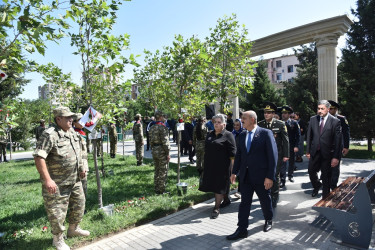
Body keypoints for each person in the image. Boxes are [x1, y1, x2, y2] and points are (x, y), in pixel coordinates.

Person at [33, 107, 89, 250]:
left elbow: (80, 151)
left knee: (80, 204)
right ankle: (57, 239)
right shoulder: (49, 135)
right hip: (57, 182)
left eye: (72, 117)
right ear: (58, 119)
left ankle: (73, 229)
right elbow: (39, 157)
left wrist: (82, 168)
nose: (72, 120)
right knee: (57, 213)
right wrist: (47, 180)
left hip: (75, 179)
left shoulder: (72, 133)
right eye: (68, 117)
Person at [227, 110, 277, 240]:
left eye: (244, 118)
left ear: (252, 120)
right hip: (246, 176)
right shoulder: (242, 135)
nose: (241, 120)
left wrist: (270, 176)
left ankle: (268, 219)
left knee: (265, 200)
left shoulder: (265, 133)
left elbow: (272, 157)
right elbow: (239, 156)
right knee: (244, 203)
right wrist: (234, 172)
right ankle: (242, 229)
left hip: (262, 176)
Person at [199, 114, 236, 219]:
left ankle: (216, 207)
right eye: (215, 122)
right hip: (210, 166)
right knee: (216, 185)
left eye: (219, 122)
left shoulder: (228, 135)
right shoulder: (210, 134)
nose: (216, 124)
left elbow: (233, 154)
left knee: (219, 187)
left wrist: (233, 171)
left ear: (224, 124)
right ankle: (227, 200)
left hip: (223, 167)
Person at [306, 100, 342, 198]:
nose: (320, 111)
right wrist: (308, 151)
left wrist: (336, 157)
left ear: (328, 109)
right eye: (318, 108)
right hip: (315, 152)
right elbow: (309, 136)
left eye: (322, 109)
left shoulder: (335, 121)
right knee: (311, 171)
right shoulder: (313, 119)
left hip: (328, 154)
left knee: (326, 177)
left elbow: (338, 142)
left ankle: (325, 199)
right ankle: (317, 185)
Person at [258, 102, 289, 207]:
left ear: (273, 113)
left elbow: (285, 140)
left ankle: (274, 197)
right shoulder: (260, 124)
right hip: (263, 155)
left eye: (269, 113)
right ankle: (267, 195)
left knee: (274, 175)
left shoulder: (280, 124)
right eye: (265, 112)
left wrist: (286, 154)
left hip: (277, 155)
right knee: (264, 175)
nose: (266, 114)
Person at [328, 100, 350, 189]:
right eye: (328, 109)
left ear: (336, 109)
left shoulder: (341, 119)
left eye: (331, 109)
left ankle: (333, 186)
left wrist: (346, 146)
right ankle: (327, 183)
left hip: (337, 147)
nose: (329, 111)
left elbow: (346, 133)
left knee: (335, 167)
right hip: (325, 147)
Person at [149, 111, 170, 194]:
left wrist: (153, 148)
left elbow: (150, 140)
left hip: (154, 149)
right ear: (160, 117)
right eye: (163, 116)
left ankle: (156, 187)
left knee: (157, 169)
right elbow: (165, 142)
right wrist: (167, 153)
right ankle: (161, 190)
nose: (164, 118)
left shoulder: (152, 127)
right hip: (161, 150)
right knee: (163, 170)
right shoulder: (162, 127)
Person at [280, 106, 300, 185]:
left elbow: (297, 135)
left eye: (285, 113)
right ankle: (282, 179)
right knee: (282, 163)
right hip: (282, 146)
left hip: (291, 146)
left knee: (291, 161)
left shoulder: (294, 123)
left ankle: (290, 175)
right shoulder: (279, 123)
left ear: (289, 114)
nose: (283, 115)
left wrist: (296, 146)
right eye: (282, 113)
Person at [72, 113, 89, 199]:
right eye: (80, 121)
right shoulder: (74, 134)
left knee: (84, 185)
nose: (83, 122)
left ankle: (83, 206)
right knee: (80, 186)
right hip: (79, 164)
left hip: (84, 162)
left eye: (84, 120)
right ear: (74, 122)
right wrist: (81, 167)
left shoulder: (82, 132)